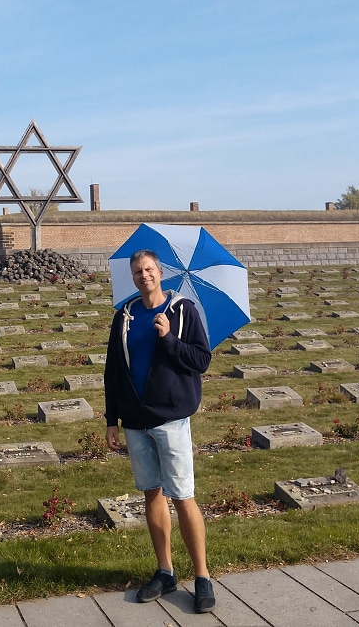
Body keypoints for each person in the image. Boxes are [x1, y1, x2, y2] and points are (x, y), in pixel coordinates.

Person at [104, 248, 216, 614]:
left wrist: (169, 339)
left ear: (160, 272)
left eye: (149, 269)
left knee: (183, 496)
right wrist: (111, 419)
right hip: (136, 421)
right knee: (151, 494)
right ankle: (165, 571)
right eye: (137, 271)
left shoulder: (183, 311)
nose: (143, 275)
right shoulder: (124, 315)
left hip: (170, 418)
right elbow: (113, 370)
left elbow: (201, 360)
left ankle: (202, 577)